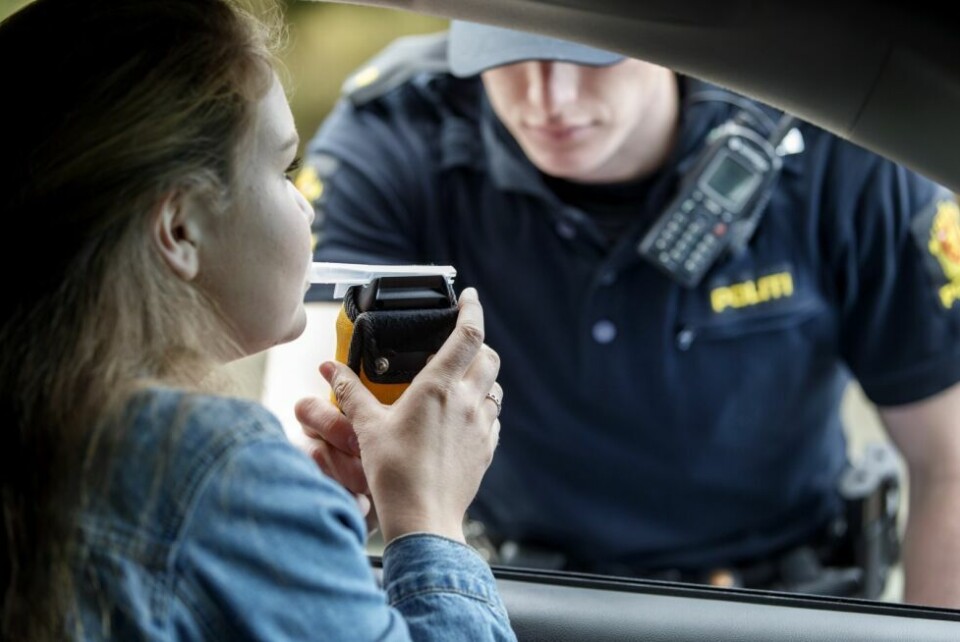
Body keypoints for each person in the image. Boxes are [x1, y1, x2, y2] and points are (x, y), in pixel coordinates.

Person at [281, 21, 960, 608]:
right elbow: (309, 436)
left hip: (782, 602)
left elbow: (949, 461)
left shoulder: (837, 140)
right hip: (520, 597)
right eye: (507, 55)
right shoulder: (396, 131)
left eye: (592, 52)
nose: (549, 98)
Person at [0, 2, 516, 641]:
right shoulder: (209, 468)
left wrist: (298, 522)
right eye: (281, 168)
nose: (305, 207)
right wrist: (430, 517)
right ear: (180, 228)